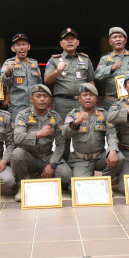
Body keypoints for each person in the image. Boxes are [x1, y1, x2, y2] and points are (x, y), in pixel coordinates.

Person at [12, 84, 72, 202]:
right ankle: (21, 186)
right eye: (38, 96)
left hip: (46, 156)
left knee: (66, 175)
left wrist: (52, 164)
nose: (42, 99)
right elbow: (17, 138)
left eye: (45, 96)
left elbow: (60, 145)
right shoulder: (23, 115)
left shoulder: (55, 117)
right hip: (28, 156)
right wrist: (38, 134)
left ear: (50, 99)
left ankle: (40, 180)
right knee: (17, 153)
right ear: (31, 99)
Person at [44, 28, 95, 160]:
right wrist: (57, 70)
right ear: (61, 43)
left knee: (85, 132)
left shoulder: (85, 59)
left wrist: (91, 100)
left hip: (82, 102)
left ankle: (82, 164)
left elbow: (91, 81)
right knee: (63, 136)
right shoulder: (55, 60)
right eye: (67, 39)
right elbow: (46, 80)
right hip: (62, 103)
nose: (70, 41)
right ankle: (64, 167)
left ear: (77, 42)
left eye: (72, 39)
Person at [62, 83, 124, 178]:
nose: (88, 98)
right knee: (81, 187)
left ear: (96, 98)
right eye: (85, 95)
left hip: (100, 157)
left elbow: (111, 134)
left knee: (119, 157)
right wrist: (77, 122)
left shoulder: (103, 114)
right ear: (79, 98)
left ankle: (106, 178)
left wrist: (112, 150)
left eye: (91, 95)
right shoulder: (73, 115)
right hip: (81, 160)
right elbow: (65, 133)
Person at [95, 27, 129, 109]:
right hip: (112, 101)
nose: (118, 39)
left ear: (125, 40)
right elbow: (97, 76)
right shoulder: (105, 59)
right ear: (110, 42)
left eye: (120, 37)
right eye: (115, 37)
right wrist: (111, 68)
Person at [1, 33, 42, 121]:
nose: (21, 47)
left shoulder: (34, 63)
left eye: (24, 44)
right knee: (18, 133)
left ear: (29, 47)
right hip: (17, 108)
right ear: (13, 48)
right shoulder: (8, 63)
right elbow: (4, 83)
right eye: (18, 45)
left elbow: (40, 85)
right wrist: (8, 71)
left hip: (35, 107)